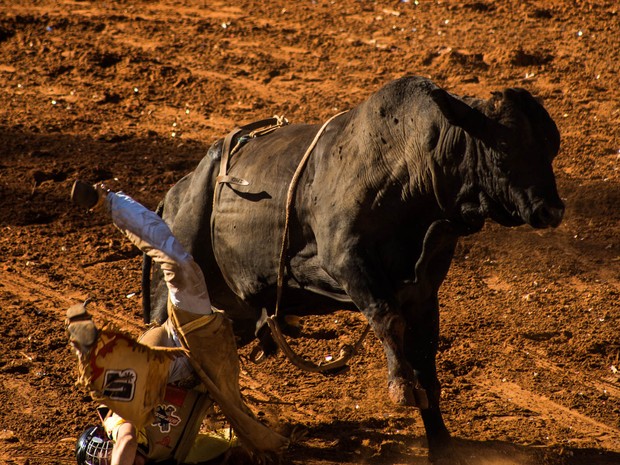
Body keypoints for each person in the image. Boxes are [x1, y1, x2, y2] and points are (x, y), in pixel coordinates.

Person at [67, 181, 289, 465]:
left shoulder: (117, 420)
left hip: (173, 349)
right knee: (264, 446)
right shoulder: (171, 456)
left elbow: (127, 439)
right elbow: (224, 444)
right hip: (209, 375)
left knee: (181, 268)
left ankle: (109, 201)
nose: (112, 457)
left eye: (105, 456)